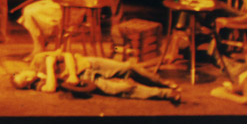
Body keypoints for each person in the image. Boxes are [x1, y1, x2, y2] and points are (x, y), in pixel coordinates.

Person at [11, 50, 182, 103]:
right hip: (87, 80)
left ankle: (163, 83)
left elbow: (68, 54)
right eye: (25, 84)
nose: (28, 80)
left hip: (87, 64)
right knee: (121, 89)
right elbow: (50, 88)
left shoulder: (38, 59)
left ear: (21, 71)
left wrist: (72, 74)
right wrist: (50, 66)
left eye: (24, 77)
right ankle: (167, 94)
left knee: (128, 67)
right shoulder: (38, 84)